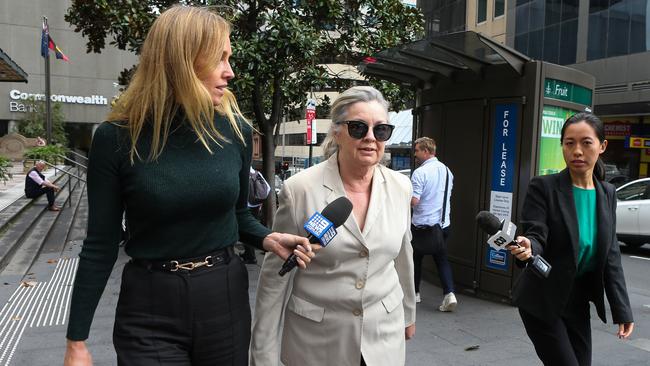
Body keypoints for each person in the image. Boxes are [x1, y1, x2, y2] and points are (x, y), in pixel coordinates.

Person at [63, 6, 314, 366]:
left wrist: (267, 238)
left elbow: (237, 213)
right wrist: (77, 340)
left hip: (223, 296)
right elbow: (100, 243)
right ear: (181, 61)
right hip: (149, 306)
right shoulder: (116, 139)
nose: (230, 72)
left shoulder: (235, 131)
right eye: (219, 59)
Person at [250, 86, 416, 366]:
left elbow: (403, 255)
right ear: (337, 131)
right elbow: (275, 278)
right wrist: (263, 354)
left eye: (381, 130)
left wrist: (408, 313)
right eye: (358, 127)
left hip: (383, 338)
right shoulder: (299, 189)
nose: (370, 138)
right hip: (317, 343)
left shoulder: (401, 186)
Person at [509, 112, 634, 366]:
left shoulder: (607, 193)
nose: (577, 151)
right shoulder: (543, 187)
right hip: (542, 298)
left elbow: (610, 254)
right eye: (569, 143)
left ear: (602, 146)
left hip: (577, 300)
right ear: (563, 146)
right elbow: (536, 231)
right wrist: (530, 245)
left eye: (586, 142)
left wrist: (622, 309)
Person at [410, 137, 457, 311]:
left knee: (415, 259)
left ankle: (415, 293)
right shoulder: (447, 171)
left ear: (426, 151)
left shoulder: (420, 173)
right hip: (443, 226)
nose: (415, 154)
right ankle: (449, 294)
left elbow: (414, 201)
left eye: (417, 151)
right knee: (442, 260)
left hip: (422, 226)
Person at [241, 165, 271, 264]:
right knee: (252, 227)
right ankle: (249, 254)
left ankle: (250, 256)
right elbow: (268, 188)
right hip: (256, 205)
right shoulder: (257, 174)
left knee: (247, 229)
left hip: (246, 205)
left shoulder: (244, 174)